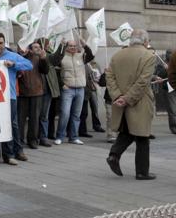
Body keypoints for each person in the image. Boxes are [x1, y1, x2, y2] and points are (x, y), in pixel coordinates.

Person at [106, 30, 156, 180]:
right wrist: (127, 98)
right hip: (139, 101)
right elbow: (143, 82)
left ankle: (114, 156)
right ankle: (142, 172)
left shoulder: (117, 55)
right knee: (142, 136)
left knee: (128, 131)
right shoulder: (148, 56)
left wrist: (118, 96)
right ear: (145, 41)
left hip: (122, 100)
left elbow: (109, 77)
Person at [0, 32, 33, 166]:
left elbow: (29, 65)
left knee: (8, 126)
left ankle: (9, 155)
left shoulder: (12, 56)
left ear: (4, 43)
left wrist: (14, 64)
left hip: (9, 97)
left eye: (1, 43)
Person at [51, 40, 94, 145]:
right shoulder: (62, 57)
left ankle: (73, 137)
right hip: (68, 89)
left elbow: (91, 56)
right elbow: (55, 73)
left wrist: (85, 45)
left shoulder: (81, 56)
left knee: (76, 115)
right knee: (65, 113)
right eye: (70, 46)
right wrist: (62, 85)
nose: (73, 48)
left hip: (80, 89)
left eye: (74, 46)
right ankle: (60, 136)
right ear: (66, 47)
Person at [17, 42, 49, 150]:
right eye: (35, 47)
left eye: (39, 47)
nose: (38, 49)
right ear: (29, 49)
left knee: (34, 118)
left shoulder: (39, 58)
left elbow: (45, 71)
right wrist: (22, 55)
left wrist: (44, 59)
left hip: (36, 92)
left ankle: (33, 140)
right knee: (21, 119)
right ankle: (20, 140)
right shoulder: (21, 57)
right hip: (22, 93)